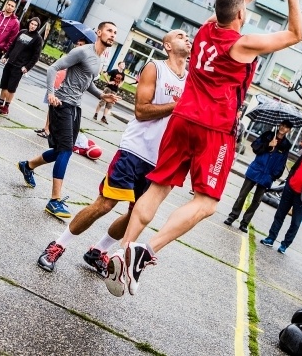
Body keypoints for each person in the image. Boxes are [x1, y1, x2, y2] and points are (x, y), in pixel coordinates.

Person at [104, 0, 302, 298]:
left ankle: (123, 250)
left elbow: (235, 1)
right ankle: (145, 251)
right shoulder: (241, 44)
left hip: (182, 118)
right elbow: (295, 35)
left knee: (157, 188)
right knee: (207, 202)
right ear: (241, 15)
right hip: (213, 128)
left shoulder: (204, 30)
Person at [36, 30, 190, 275]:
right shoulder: (155, 68)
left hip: (160, 160)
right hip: (135, 151)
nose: (187, 38)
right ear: (168, 45)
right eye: (180, 35)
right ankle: (58, 245)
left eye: (188, 36)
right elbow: (141, 111)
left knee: (136, 215)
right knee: (105, 204)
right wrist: (178, 105)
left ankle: (98, 251)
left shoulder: (191, 81)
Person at [17, 21, 119, 219]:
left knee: (61, 151)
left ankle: (27, 166)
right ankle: (54, 200)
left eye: (115, 32)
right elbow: (53, 68)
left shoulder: (99, 59)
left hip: (75, 107)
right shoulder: (82, 51)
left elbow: (87, 82)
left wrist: (102, 95)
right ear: (99, 32)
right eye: (109, 30)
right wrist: (51, 94)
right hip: (62, 103)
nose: (112, 34)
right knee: (65, 151)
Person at [259, 138, 302, 253]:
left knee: (295, 223)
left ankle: (284, 245)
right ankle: (271, 238)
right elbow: (294, 168)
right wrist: (289, 181)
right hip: (290, 189)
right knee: (279, 215)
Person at [224, 120, 293, 232]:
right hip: (256, 170)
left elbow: (282, 162)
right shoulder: (268, 135)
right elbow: (255, 147)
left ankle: (245, 223)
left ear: (288, 130)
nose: (283, 128)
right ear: (279, 125)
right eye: (282, 125)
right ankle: (232, 216)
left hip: (267, 176)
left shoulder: (286, 145)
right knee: (242, 195)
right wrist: (268, 145)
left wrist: (274, 175)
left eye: (286, 127)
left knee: (256, 201)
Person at [0, 17, 43, 115]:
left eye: (35, 25)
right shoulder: (22, 32)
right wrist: (6, 56)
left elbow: (36, 56)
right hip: (10, 62)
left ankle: (6, 107)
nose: (33, 26)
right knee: (4, 84)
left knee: (11, 87)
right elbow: (12, 45)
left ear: (37, 27)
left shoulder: (38, 39)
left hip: (19, 66)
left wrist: (27, 67)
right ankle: (0, 103)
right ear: (29, 23)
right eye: (32, 24)